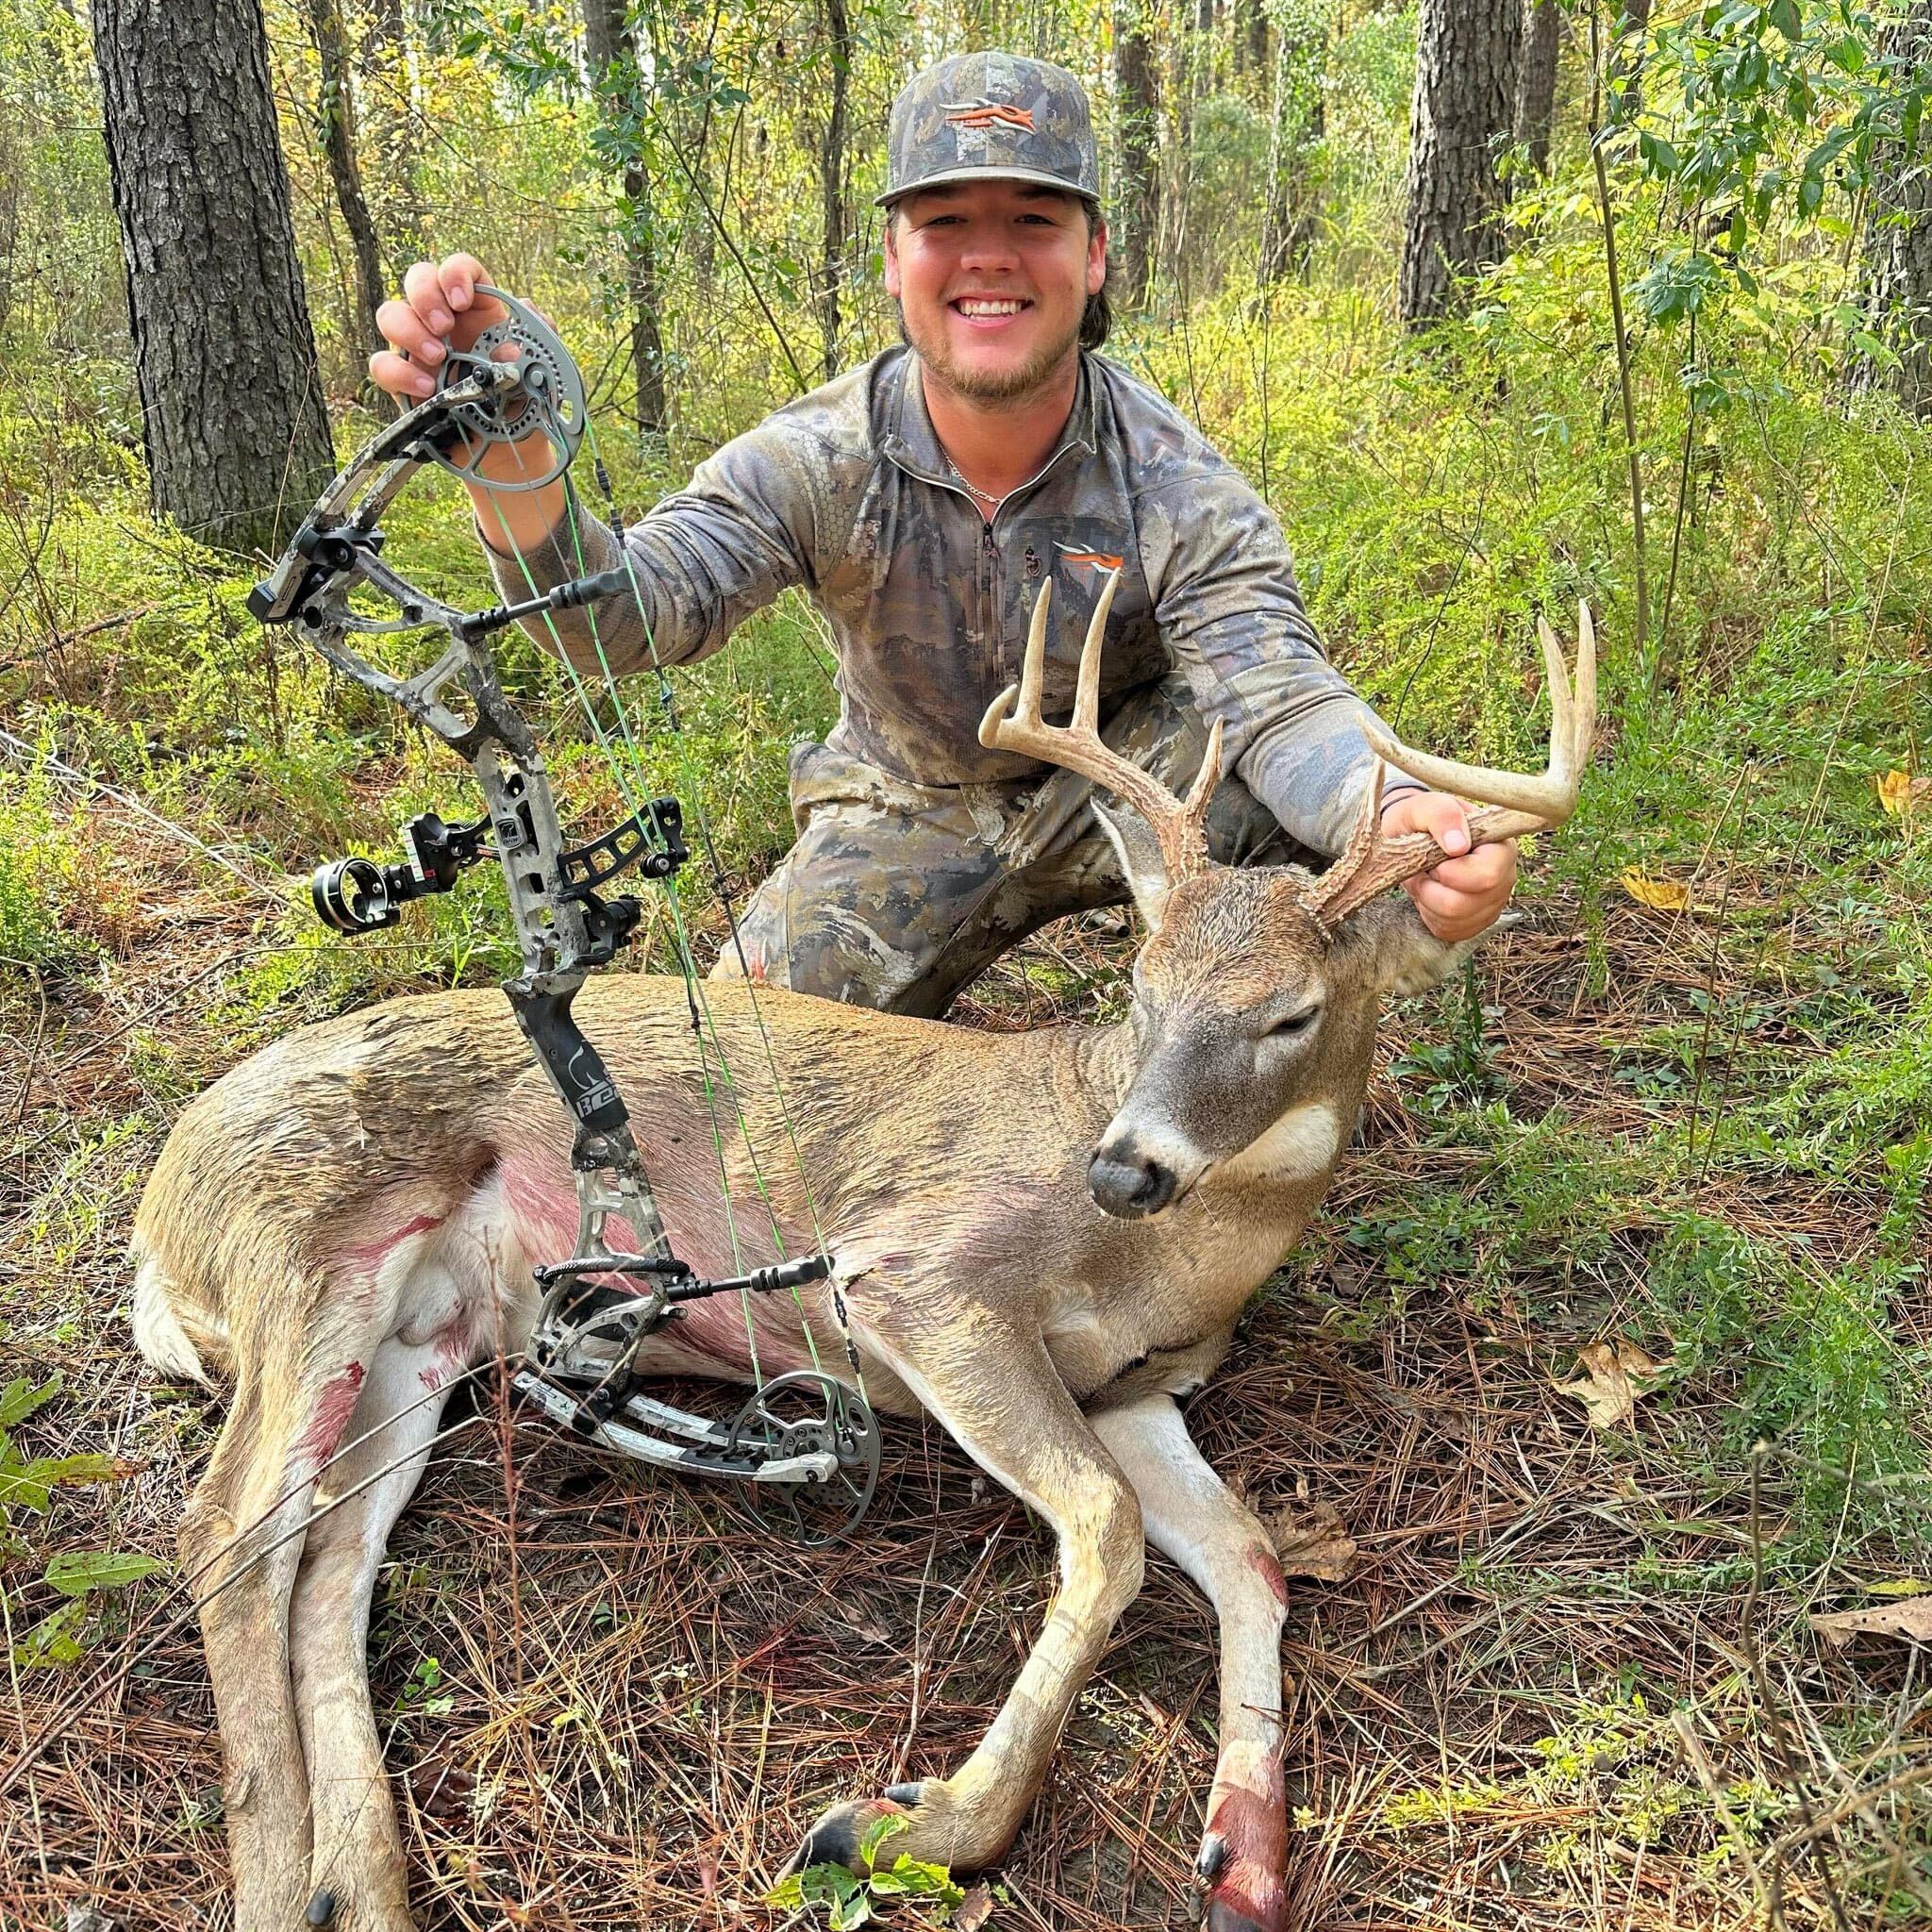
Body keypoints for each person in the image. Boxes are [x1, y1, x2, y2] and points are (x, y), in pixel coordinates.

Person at [370, 52, 1515, 1017]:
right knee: (743, 1074)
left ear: (1093, 255)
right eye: (944, 223)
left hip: (1137, 792)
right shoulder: (816, 458)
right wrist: (518, 472)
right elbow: (627, 618)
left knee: (1344, 874)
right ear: (893, 260)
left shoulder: (1178, 485)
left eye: (1032, 219)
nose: (988, 255)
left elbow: (1281, 701)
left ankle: (1233, 1129)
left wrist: (1390, 811)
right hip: (902, 809)